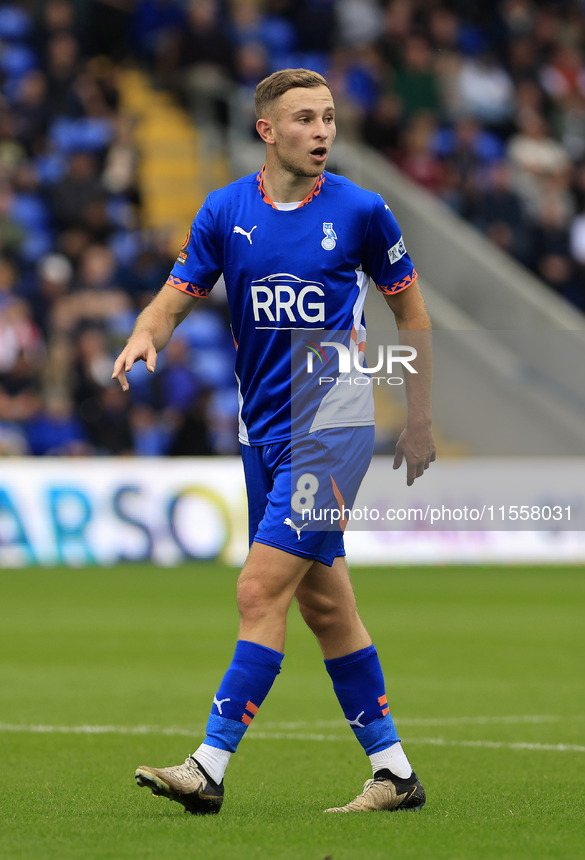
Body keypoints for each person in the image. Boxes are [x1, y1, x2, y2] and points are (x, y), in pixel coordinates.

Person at [112, 68, 436, 815]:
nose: (321, 131)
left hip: (334, 426)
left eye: (327, 117)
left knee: (257, 589)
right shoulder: (225, 210)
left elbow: (409, 315)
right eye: (303, 119)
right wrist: (143, 334)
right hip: (260, 433)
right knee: (326, 610)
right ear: (266, 130)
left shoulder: (362, 211)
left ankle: (208, 766)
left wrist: (417, 419)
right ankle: (394, 775)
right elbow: (176, 295)